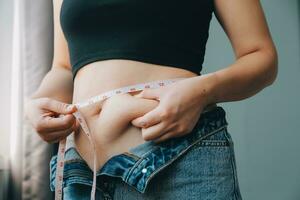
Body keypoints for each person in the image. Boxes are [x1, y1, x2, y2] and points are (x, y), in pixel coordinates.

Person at [25, 0, 278, 199]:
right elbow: (63, 68)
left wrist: (202, 91)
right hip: (81, 172)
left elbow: (261, 56)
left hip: (175, 158)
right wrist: (39, 100)